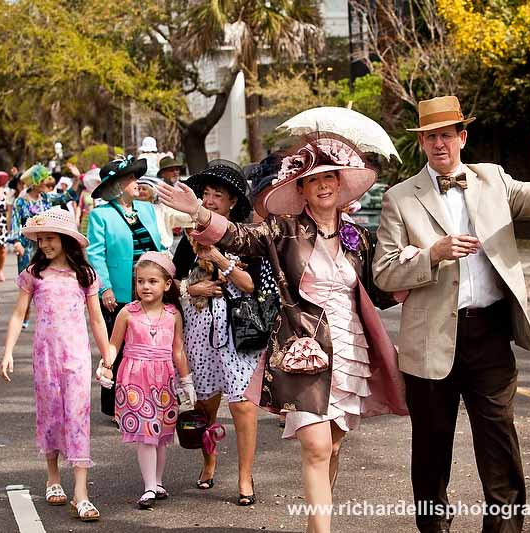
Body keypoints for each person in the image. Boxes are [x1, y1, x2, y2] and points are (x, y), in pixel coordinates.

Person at [158, 135, 408, 533]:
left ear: (340, 183)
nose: (323, 184)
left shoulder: (357, 237)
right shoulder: (284, 230)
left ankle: (314, 527)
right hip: (303, 348)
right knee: (317, 446)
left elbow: (379, 289)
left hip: (350, 348)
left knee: (334, 445)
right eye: (313, 179)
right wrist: (201, 216)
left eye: (330, 176)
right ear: (301, 189)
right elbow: (240, 238)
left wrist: (419, 268)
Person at [372, 97, 530, 533]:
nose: (439, 143)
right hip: (429, 344)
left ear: (462, 138)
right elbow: (384, 271)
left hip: (490, 335)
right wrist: (433, 254)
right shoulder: (400, 198)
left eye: (447, 134)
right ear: (422, 144)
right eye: (430, 137)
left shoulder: (494, 179)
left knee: (500, 447)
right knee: (430, 453)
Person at [0, 207, 110, 522]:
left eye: (50, 238)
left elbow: (97, 319)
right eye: (41, 239)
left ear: (65, 239)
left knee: (78, 418)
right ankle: (52, 477)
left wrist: (109, 356)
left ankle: (81, 494)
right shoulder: (34, 274)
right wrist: (8, 351)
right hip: (45, 359)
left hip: (76, 358)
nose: (45, 244)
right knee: (50, 416)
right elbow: (19, 314)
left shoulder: (85, 275)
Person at [170, 160, 265, 506]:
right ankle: (208, 461)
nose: (209, 201)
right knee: (205, 407)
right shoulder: (187, 238)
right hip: (199, 333)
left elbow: (253, 284)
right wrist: (191, 290)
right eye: (205, 194)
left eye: (217, 196)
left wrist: (221, 260)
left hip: (239, 332)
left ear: (232, 203)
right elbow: (172, 282)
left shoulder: (245, 239)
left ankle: (244, 477)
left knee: (242, 407)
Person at [97, 252, 196, 509]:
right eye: (141, 281)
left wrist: (186, 381)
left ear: (166, 284)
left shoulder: (173, 314)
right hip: (134, 379)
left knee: (161, 433)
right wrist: (106, 368)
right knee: (146, 433)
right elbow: (113, 346)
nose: (145, 286)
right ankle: (149, 486)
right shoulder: (127, 313)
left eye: (152, 281)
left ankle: (157, 482)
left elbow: (178, 351)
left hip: (164, 380)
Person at [87, 156, 163, 421]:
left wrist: (168, 275)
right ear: (117, 185)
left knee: (149, 348)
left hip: (150, 288)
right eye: (130, 179)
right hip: (118, 291)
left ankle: (149, 399)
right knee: (116, 349)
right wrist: (104, 288)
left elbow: (159, 246)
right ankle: (116, 406)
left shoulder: (147, 210)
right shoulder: (100, 215)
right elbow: (96, 255)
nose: (136, 182)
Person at [7, 164, 79, 329]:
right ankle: (23, 315)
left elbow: (66, 198)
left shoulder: (46, 198)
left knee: (46, 282)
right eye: (44, 180)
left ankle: (47, 315)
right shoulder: (21, 202)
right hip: (27, 248)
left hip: (46, 247)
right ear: (35, 182)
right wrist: (17, 242)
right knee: (28, 284)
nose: (47, 184)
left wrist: (76, 179)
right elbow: (15, 222)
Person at [136, 176, 193, 251]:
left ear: (152, 192)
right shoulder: (132, 209)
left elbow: (180, 217)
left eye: (144, 189)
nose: (141, 191)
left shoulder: (161, 209)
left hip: (162, 250)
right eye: (138, 189)